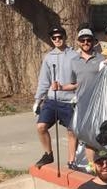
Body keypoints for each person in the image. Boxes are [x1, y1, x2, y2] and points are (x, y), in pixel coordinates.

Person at [33, 26, 77, 168]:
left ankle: (72, 161)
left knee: (72, 131)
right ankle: (48, 154)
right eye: (54, 38)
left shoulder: (74, 55)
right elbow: (44, 80)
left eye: (60, 37)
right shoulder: (48, 57)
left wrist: (77, 95)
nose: (57, 40)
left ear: (65, 37)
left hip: (69, 100)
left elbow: (80, 79)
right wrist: (38, 100)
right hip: (52, 100)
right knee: (41, 127)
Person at [69, 26, 104, 169]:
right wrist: (60, 87)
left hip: (98, 103)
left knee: (97, 136)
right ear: (78, 42)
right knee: (80, 134)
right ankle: (89, 165)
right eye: (82, 40)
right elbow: (74, 84)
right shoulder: (74, 61)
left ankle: (101, 163)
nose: (85, 42)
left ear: (93, 41)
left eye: (88, 40)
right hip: (82, 103)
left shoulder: (102, 59)